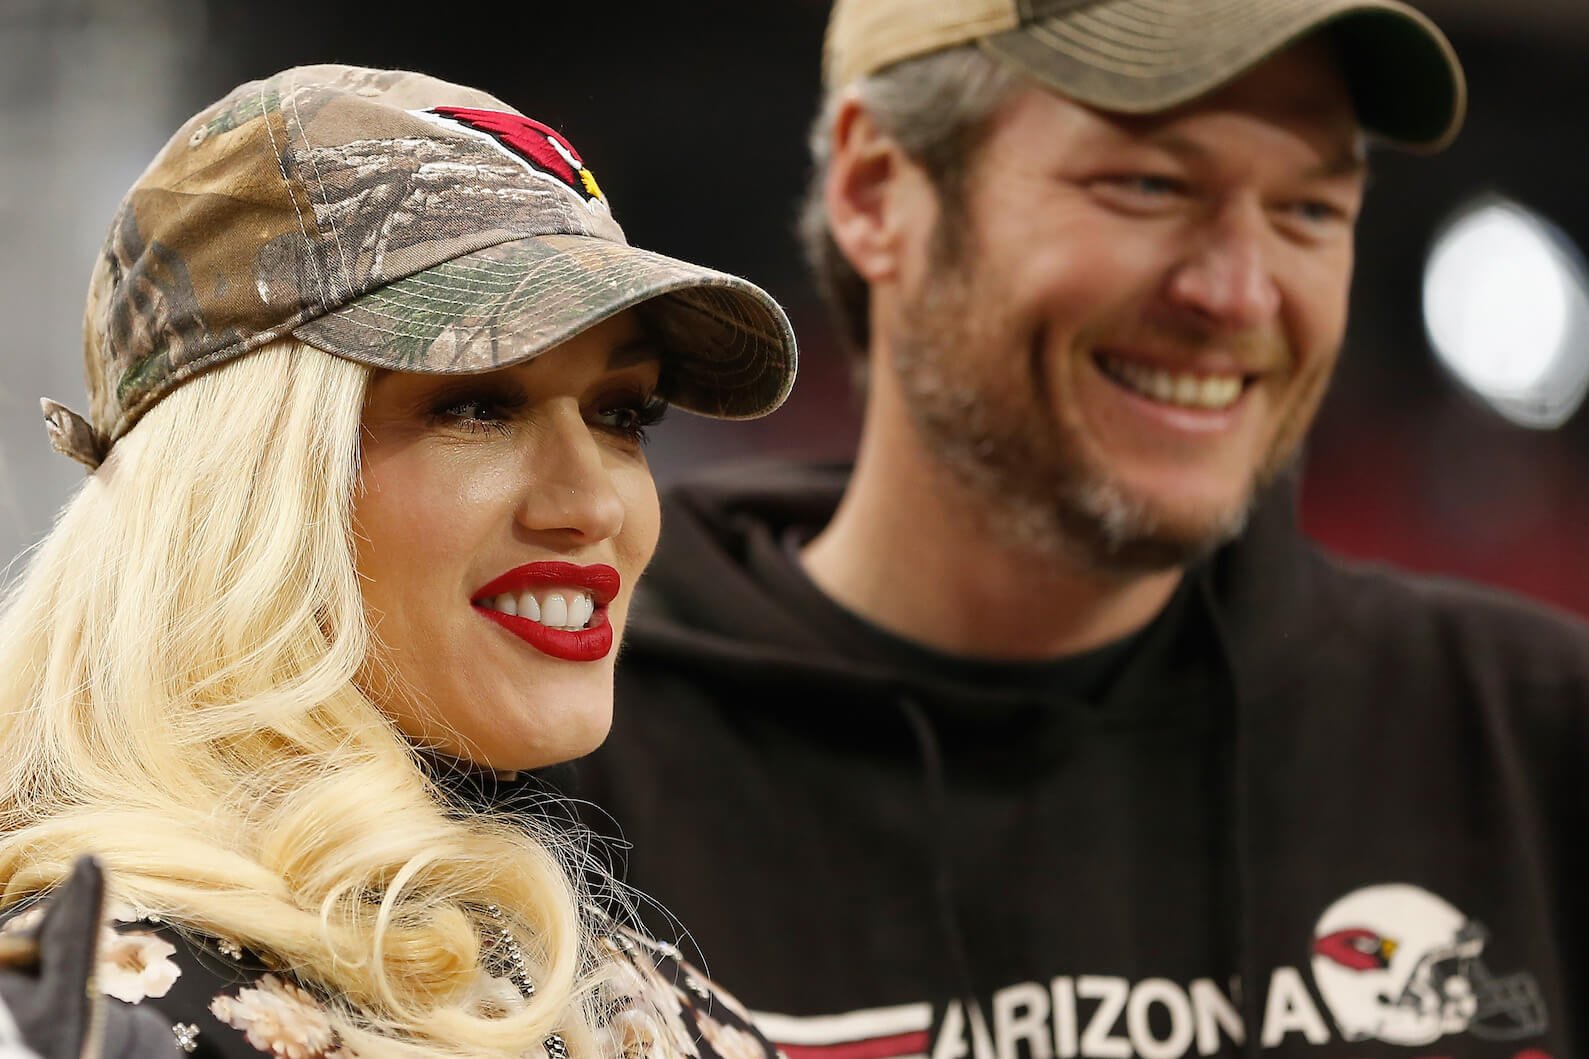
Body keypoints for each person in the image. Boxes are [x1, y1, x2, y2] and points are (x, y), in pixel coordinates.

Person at [555, 2, 1588, 1057]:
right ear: (876, 191)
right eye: (1146, 186)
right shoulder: (550, 757)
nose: (1235, 293)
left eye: (1308, 210)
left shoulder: (1532, 738)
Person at [0, 64, 798, 1059]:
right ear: (241, 480)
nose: (593, 503)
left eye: (622, 416)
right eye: (477, 405)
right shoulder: (82, 1016)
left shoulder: (635, 996)